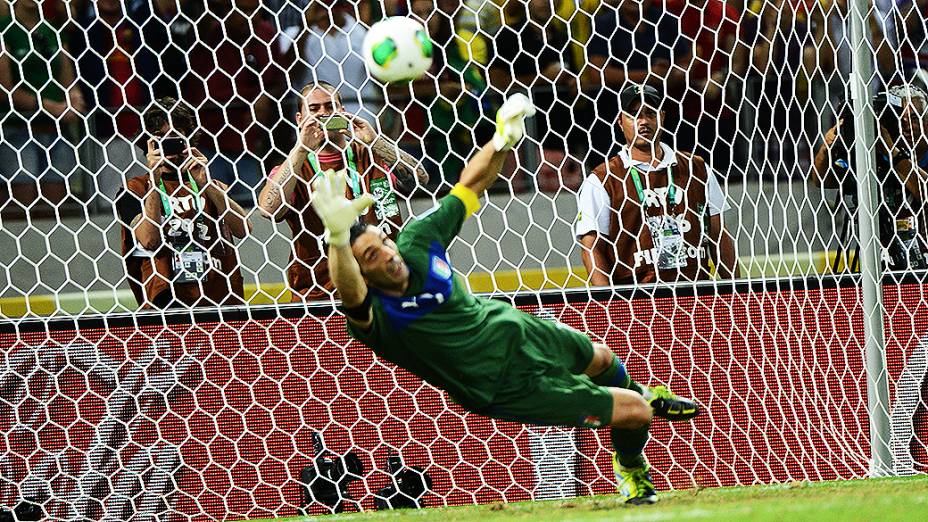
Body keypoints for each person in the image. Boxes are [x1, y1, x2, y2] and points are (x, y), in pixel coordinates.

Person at [310, 94, 700, 505]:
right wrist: (338, 238)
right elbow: (349, 293)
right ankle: (632, 468)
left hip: (518, 328)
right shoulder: (379, 318)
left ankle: (642, 391)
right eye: (373, 256)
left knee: (601, 358)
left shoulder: (417, 242)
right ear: (363, 274)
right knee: (636, 412)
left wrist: (501, 140)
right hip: (504, 385)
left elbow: (470, 184)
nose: (388, 255)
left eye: (384, 243)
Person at [257, 82, 429, 301]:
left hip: (383, 286)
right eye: (315, 108)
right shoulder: (293, 168)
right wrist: (301, 148)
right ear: (300, 120)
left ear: (343, 111)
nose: (323, 114)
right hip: (320, 295)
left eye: (330, 107)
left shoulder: (372, 155)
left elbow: (420, 178)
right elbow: (268, 210)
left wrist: (375, 141)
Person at [575, 84, 739, 285]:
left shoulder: (697, 168)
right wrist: (611, 308)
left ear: (662, 117)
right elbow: (591, 247)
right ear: (620, 121)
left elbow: (718, 234)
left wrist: (736, 294)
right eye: (634, 114)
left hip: (695, 293)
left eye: (650, 113)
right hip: (636, 300)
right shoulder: (603, 179)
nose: (643, 121)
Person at [115, 98, 251, 309]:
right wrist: (154, 178)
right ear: (148, 143)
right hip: (167, 305)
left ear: (188, 139)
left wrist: (206, 184)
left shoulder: (208, 184)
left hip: (219, 300)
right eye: (160, 137)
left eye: (176, 136)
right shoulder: (134, 189)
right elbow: (149, 240)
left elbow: (243, 228)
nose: (169, 144)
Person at [811, 84, 928, 271]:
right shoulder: (874, 158)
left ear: (926, 123)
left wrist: (890, 149)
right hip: (882, 257)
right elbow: (823, 181)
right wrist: (826, 149)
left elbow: (925, 192)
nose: (905, 125)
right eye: (899, 118)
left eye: (913, 118)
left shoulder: (890, 152)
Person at [0, 0, 84, 213]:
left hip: (56, 129)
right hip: (17, 129)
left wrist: (74, 99)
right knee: (22, 203)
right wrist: (47, 106)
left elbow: (68, 79)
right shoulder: (5, 29)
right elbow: (4, 88)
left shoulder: (53, 30)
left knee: (56, 204)